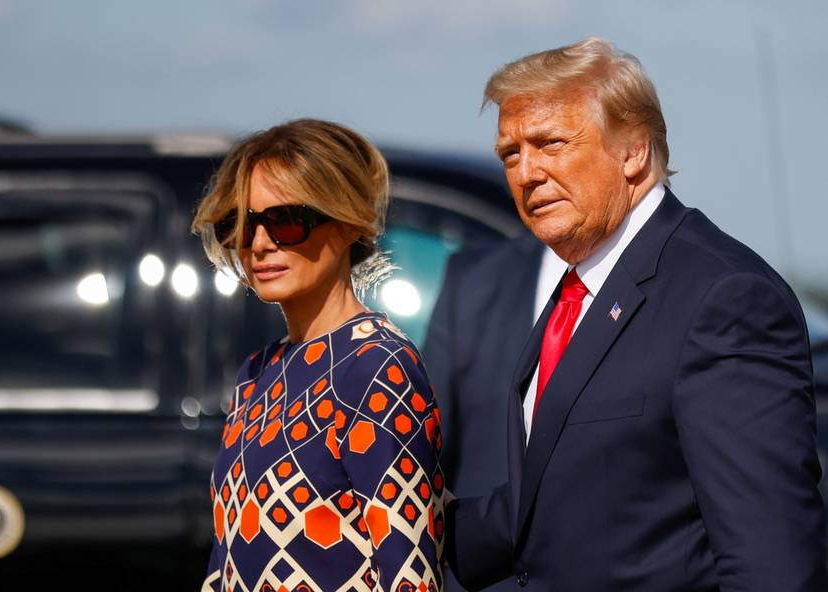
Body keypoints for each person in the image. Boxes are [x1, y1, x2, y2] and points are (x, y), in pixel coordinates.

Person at [445, 38, 828, 591]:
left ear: (633, 153)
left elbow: (773, 563)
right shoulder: (583, 285)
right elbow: (574, 495)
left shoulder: (723, 299)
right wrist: (412, 517)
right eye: (510, 153)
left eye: (550, 144)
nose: (526, 173)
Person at [192, 119, 444, 592]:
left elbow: (410, 572)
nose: (261, 243)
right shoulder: (256, 373)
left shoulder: (377, 367)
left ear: (348, 223)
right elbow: (224, 561)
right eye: (241, 226)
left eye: (287, 220)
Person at [424, 234, 563, 592]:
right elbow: (427, 454)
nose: (533, 175)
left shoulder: (675, 286)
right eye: (511, 171)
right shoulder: (474, 279)